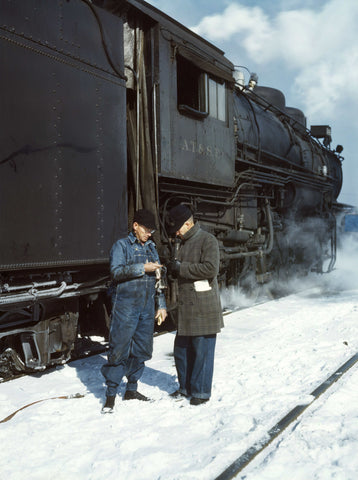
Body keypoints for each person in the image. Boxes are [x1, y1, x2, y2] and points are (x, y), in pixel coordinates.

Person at [101, 209, 167, 413]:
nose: (150, 234)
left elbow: (158, 280)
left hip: (146, 308)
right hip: (125, 308)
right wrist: (142, 268)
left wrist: (162, 305)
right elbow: (116, 272)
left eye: (152, 231)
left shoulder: (151, 248)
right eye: (147, 230)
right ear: (135, 226)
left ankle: (131, 389)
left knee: (142, 350)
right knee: (118, 350)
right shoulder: (121, 246)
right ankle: (111, 396)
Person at [166, 205, 223, 405]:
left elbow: (210, 269)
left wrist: (181, 268)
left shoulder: (208, 240)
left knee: (202, 351)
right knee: (181, 350)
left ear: (188, 223)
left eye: (178, 228)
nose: (176, 232)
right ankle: (185, 387)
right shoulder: (182, 242)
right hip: (187, 307)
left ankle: (200, 392)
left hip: (202, 306)